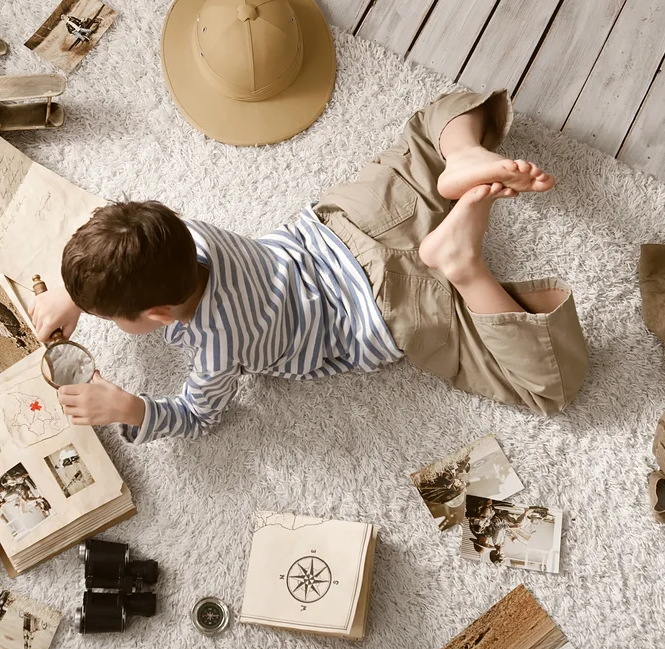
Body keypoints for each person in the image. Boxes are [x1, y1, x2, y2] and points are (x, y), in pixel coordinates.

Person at [29, 91, 590, 444]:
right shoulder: (186, 232)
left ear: (155, 313)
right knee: (436, 121)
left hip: (386, 311)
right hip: (350, 225)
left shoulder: (216, 349)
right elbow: (131, 241)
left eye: (119, 319)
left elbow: (197, 416)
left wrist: (132, 408)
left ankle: (463, 267)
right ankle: (463, 159)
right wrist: (76, 293)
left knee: (550, 384)